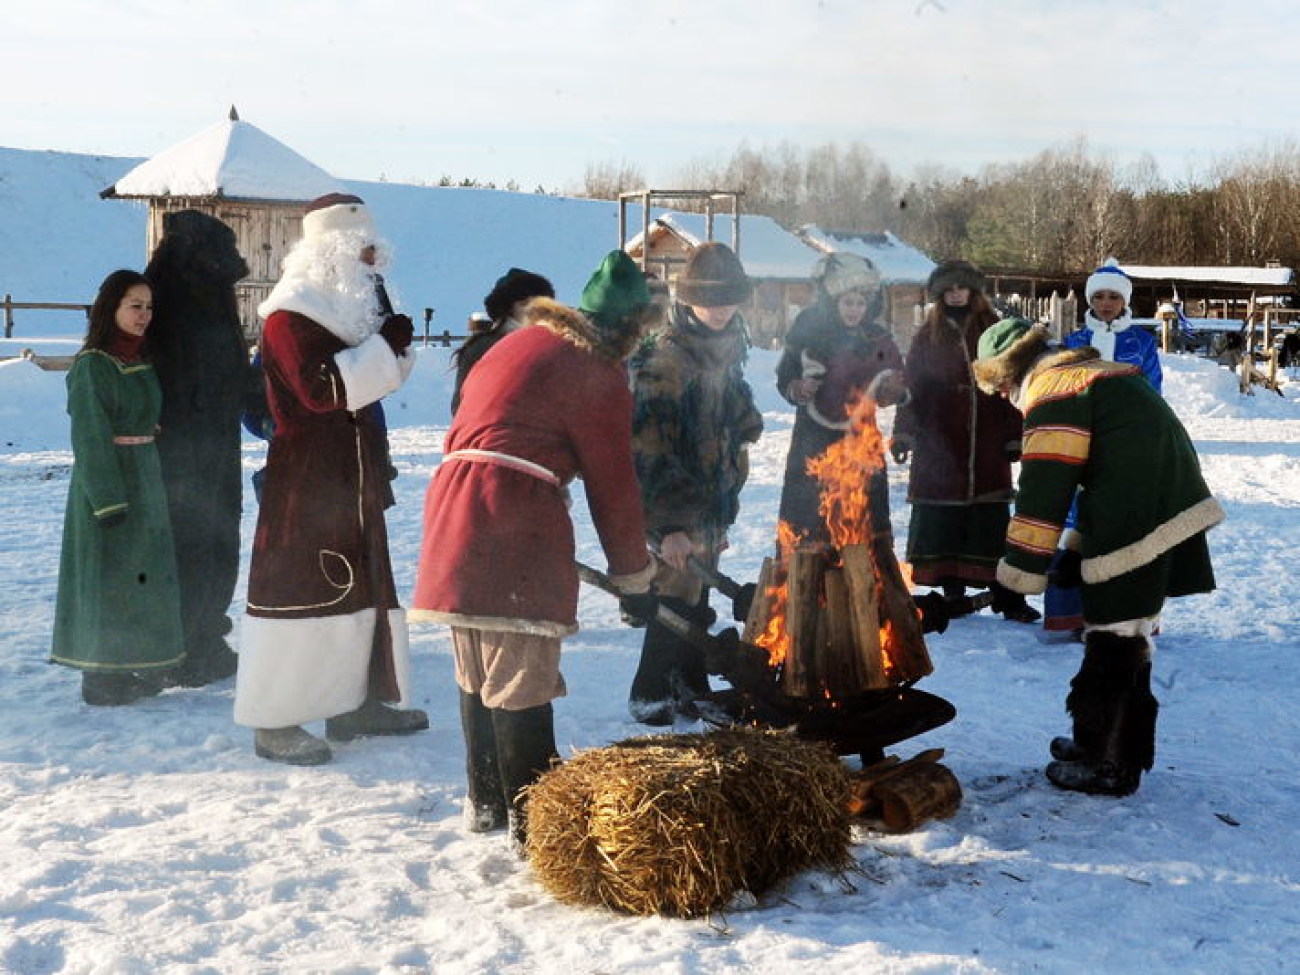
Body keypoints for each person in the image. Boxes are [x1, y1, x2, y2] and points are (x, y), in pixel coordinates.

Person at [410, 250, 657, 847]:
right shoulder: (596, 368)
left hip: (452, 504)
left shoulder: (518, 342)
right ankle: (538, 833)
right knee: (521, 668)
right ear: (626, 330)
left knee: (477, 662)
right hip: (511, 510)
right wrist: (635, 576)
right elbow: (613, 481)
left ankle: (487, 804)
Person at [971, 318, 1224, 796]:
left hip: (1137, 510)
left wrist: (1019, 570)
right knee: (1125, 632)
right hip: (1144, 497)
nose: (1006, 399)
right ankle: (1106, 745)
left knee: (1115, 635)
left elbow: (1045, 485)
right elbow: (1105, 462)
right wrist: (1071, 552)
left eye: (1002, 389)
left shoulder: (1053, 390)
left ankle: (1110, 765)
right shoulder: (1084, 374)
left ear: (1008, 375)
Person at [233, 193, 428, 766]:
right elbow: (322, 390)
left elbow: (380, 380)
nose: (374, 264)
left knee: (361, 584)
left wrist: (388, 348)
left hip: (353, 474)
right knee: (301, 590)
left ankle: (356, 703)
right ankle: (276, 719)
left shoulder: (350, 308)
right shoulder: (292, 313)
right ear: (334, 253)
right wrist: (386, 347)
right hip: (306, 480)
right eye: (364, 252)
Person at [627, 241, 764, 725]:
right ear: (687, 300)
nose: (721, 308)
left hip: (710, 502)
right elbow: (649, 450)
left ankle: (688, 682)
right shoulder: (667, 360)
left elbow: (727, 429)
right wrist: (668, 527)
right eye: (709, 298)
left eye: (729, 298)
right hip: (675, 508)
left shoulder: (724, 351)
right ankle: (648, 692)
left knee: (696, 592)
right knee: (674, 591)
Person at [51, 270, 184, 705]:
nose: (144, 315)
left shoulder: (136, 359)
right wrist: (108, 501)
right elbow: (90, 437)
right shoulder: (94, 365)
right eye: (135, 306)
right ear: (112, 308)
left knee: (137, 578)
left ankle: (126, 666)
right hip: (111, 482)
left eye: (149, 307)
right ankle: (101, 679)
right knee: (109, 576)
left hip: (144, 475)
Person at [145, 209, 262, 686]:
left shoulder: (200, 291)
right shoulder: (175, 294)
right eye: (227, 250)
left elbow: (225, 366)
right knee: (192, 540)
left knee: (213, 537)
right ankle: (186, 646)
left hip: (209, 438)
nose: (235, 261)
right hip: (182, 444)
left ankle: (201, 640)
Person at [891, 260, 1039, 623]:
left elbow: (1011, 383)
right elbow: (912, 387)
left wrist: (1013, 435)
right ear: (941, 296)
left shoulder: (994, 328)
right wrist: (904, 431)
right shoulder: (928, 335)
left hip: (986, 437)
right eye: (949, 289)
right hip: (938, 438)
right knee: (942, 518)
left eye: (962, 288)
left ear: (974, 292)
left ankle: (1008, 597)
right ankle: (951, 591)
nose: (956, 294)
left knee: (990, 522)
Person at [1043, 258, 1163, 638]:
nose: (1107, 303)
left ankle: (1122, 615)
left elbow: (1153, 393)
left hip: (1126, 445)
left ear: (1125, 302)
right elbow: (1058, 390)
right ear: (1090, 301)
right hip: (1079, 443)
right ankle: (1073, 614)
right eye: (1100, 297)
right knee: (1077, 527)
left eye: (1114, 296)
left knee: (1122, 527)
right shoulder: (1075, 343)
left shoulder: (1141, 343)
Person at [775, 252, 906, 544]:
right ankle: (804, 583)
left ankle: (867, 582)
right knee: (810, 520)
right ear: (833, 301)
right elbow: (785, 375)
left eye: (861, 303)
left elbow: (897, 377)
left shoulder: (876, 338)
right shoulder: (808, 330)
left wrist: (890, 390)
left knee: (864, 521)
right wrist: (797, 386)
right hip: (813, 439)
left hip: (862, 439)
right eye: (848, 302)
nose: (854, 310)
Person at [450, 267, 555, 414]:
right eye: (524, 303)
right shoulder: (483, 348)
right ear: (508, 308)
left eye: (539, 304)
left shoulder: (553, 346)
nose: (533, 309)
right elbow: (461, 406)